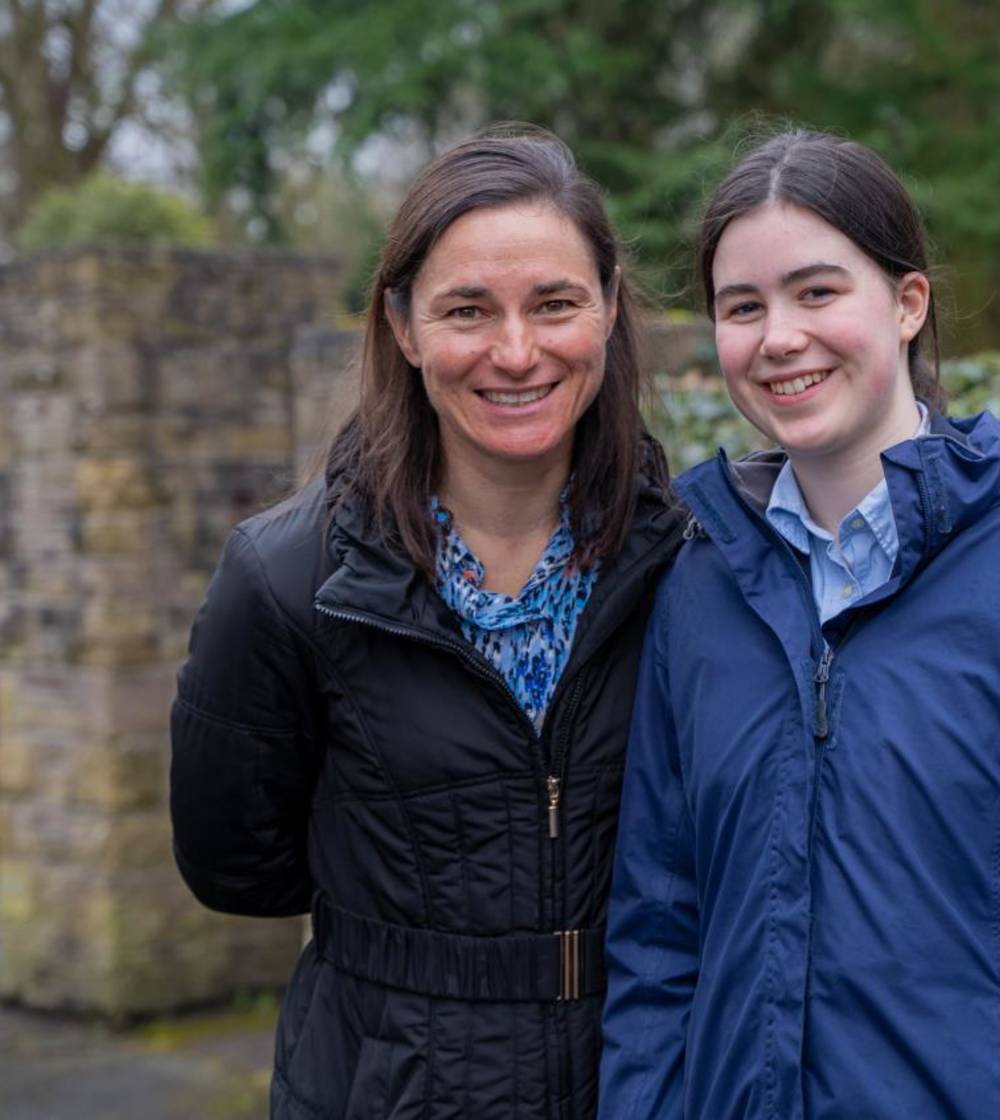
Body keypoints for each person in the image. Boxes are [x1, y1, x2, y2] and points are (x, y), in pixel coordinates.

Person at [598, 130, 1000, 1119]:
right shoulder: (699, 585)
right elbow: (658, 932)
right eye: (740, 307)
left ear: (907, 303)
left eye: (816, 291)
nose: (778, 336)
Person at [170, 127, 682, 1120]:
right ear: (403, 327)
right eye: (466, 310)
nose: (516, 350)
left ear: (610, 310)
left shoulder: (686, 564)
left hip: (638, 1078)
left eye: (555, 303)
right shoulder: (287, 578)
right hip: (384, 1083)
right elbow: (236, 861)